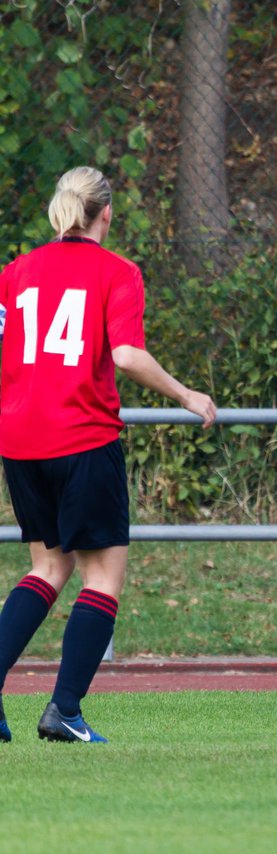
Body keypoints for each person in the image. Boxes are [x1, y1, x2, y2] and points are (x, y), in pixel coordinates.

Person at [0, 166, 217, 744]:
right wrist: (186, 393)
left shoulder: (17, 272)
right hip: (81, 439)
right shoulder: (117, 271)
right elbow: (125, 354)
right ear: (107, 214)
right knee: (102, 577)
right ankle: (63, 711)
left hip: (20, 441)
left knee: (47, 567)